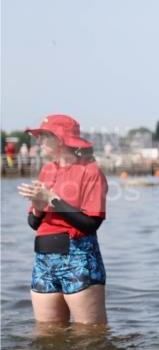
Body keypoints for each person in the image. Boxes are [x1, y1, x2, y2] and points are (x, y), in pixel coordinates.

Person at [17, 115, 108, 327]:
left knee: (90, 335)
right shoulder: (47, 170)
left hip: (78, 259)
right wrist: (39, 208)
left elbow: (90, 224)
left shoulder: (91, 171)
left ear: (59, 140)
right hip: (43, 260)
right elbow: (34, 224)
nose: (38, 141)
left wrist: (53, 200)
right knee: (48, 335)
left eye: (43, 136)